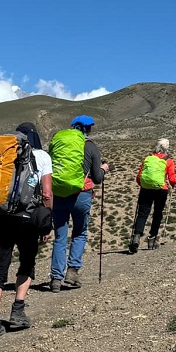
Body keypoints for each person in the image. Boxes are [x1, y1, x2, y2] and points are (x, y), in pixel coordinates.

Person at [0, 121, 53, 340]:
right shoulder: (42, 157)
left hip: (2, 218)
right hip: (28, 219)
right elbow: (47, 193)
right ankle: (18, 311)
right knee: (27, 264)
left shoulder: (3, 156)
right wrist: (46, 222)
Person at [48, 115, 107, 291]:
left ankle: (55, 279)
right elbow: (97, 178)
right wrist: (104, 169)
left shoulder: (60, 144)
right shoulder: (90, 147)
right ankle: (72, 272)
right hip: (82, 194)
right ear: (89, 130)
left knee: (60, 236)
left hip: (59, 194)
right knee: (80, 233)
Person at [130, 138, 176, 253]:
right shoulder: (169, 161)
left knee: (142, 213)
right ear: (167, 148)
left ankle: (136, 237)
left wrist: (143, 184)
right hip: (161, 189)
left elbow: (139, 176)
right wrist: (174, 183)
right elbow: (172, 179)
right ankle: (152, 240)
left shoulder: (148, 159)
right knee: (157, 213)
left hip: (146, 189)